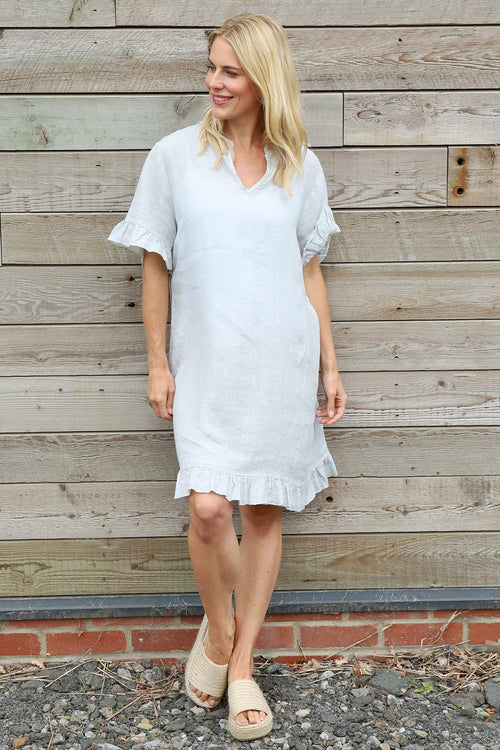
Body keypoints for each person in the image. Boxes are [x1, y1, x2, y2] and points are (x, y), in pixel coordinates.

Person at [107, 12, 348, 741]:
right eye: (211, 67)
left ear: (264, 79)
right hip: (207, 364)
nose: (214, 82)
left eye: (230, 71)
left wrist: (329, 364)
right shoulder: (174, 158)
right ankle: (219, 631)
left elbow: (309, 272)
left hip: (281, 362)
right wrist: (158, 361)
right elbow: (155, 265)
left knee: (264, 513)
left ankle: (241, 664)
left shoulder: (300, 167)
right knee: (210, 509)